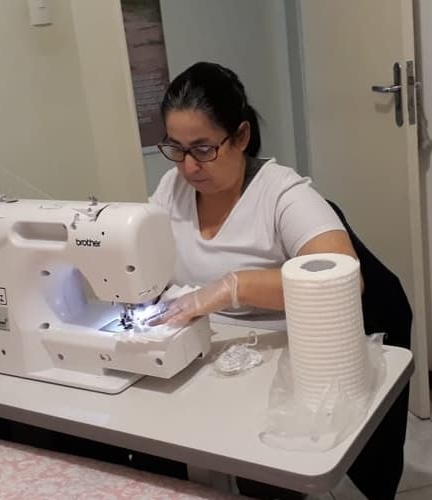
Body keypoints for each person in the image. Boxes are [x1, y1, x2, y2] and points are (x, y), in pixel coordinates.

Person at [148, 61, 409, 499]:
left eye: (203, 148)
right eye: (176, 149)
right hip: (201, 362)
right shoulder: (171, 190)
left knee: (256, 473)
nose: (189, 166)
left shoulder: (283, 194)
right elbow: (142, 254)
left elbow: (342, 276)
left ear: (242, 136)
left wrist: (233, 286)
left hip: (270, 370)